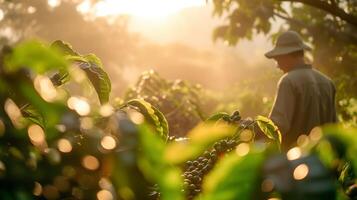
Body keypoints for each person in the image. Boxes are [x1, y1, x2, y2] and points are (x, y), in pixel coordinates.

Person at [265, 31, 337, 150]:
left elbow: (278, 125)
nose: (277, 65)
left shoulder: (288, 81)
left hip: (295, 160)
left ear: (288, 55)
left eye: (278, 59)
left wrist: (250, 127)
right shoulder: (327, 82)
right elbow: (335, 128)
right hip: (324, 161)